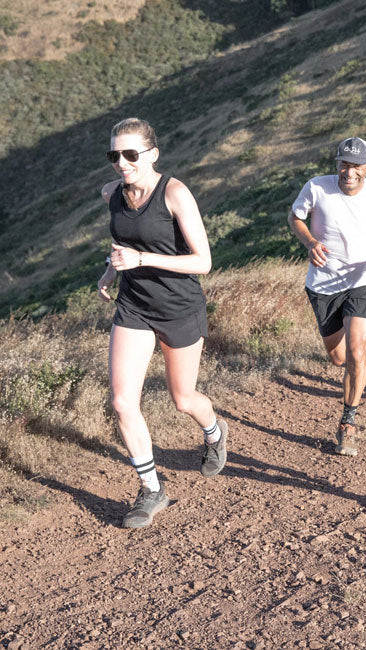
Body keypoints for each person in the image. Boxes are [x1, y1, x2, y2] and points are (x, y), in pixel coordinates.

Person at [96, 117, 224, 529]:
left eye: (131, 154)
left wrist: (142, 260)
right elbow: (123, 241)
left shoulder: (174, 193)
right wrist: (110, 271)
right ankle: (152, 489)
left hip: (179, 309)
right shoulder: (111, 193)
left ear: (152, 154)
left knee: (183, 399)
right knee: (121, 401)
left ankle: (214, 432)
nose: (121, 162)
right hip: (134, 307)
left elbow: (203, 262)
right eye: (114, 154)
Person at [288, 137, 366, 457]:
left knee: (356, 351)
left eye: (356, 166)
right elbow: (294, 218)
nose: (349, 171)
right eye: (343, 164)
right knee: (339, 358)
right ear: (337, 164)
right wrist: (311, 242)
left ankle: (348, 423)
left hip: (363, 282)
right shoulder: (316, 187)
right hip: (322, 286)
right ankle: (355, 368)